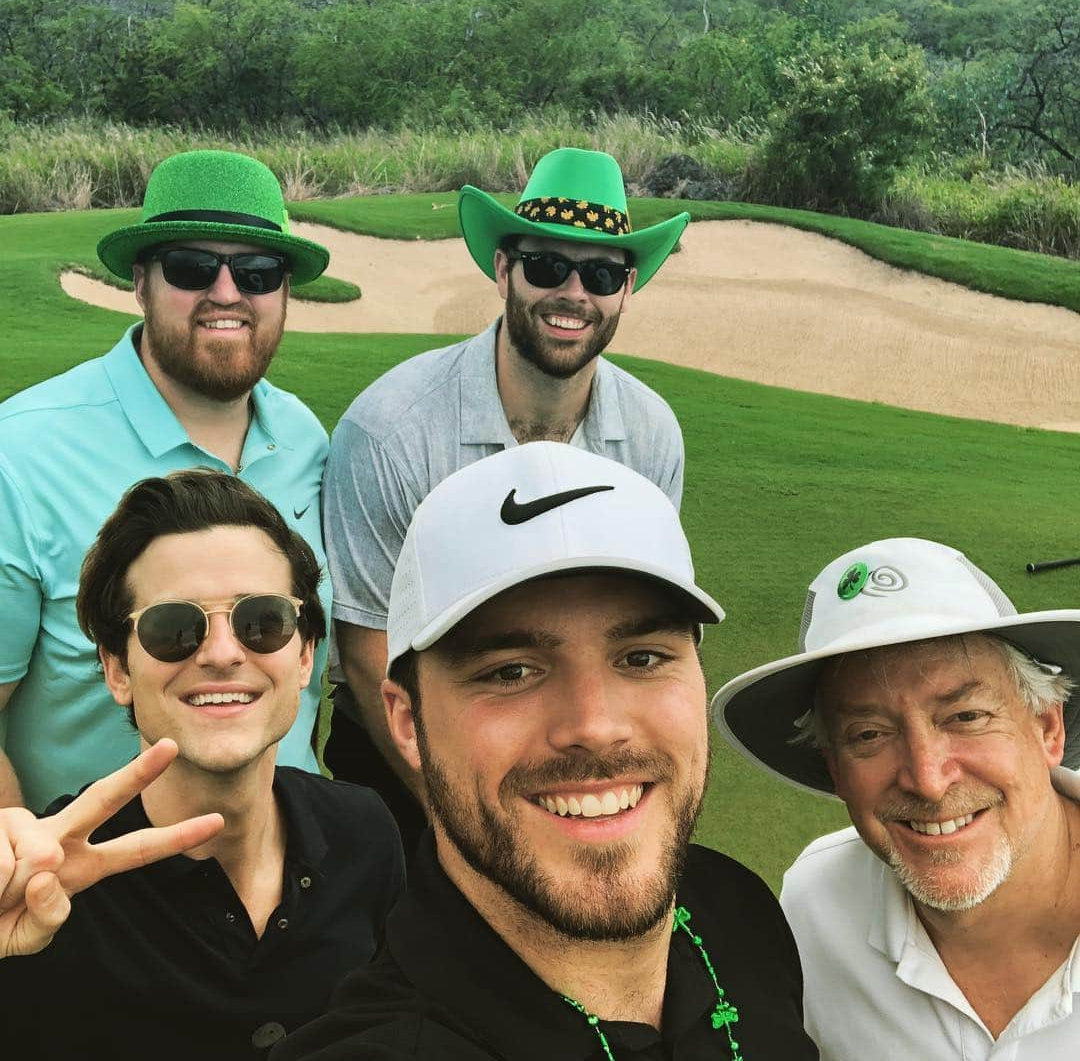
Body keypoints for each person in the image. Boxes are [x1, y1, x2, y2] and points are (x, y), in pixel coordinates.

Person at [274, 442, 818, 1060]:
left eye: (641, 658)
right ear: (406, 719)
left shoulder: (737, 908)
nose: (595, 725)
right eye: (511, 672)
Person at [323, 147, 691, 850]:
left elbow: (649, 625)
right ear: (503, 270)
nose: (574, 294)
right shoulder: (390, 429)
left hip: (571, 729)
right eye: (547, 267)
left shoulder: (651, 434)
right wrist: (461, 817)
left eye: (601, 274)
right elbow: (369, 650)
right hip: (407, 748)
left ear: (627, 287)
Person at [0, 470, 405, 1060]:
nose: (220, 653)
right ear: (117, 670)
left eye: (263, 621)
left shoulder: (366, 831)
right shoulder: (45, 887)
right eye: (173, 628)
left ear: (304, 657)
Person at [0, 149, 334, 810]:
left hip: (294, 873)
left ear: (284, 291)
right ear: (140, 280)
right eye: (191, 267)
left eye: (259, 271)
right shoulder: (23, 451)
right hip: (101, 888)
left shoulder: (304, 439)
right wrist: (29, 862)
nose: (227, 293)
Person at [713, 537, 1080, 1059]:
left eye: (966, 717)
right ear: (835, 770)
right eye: (869, 734)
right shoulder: (813, 907)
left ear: (1047, 728)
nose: (928, 780)